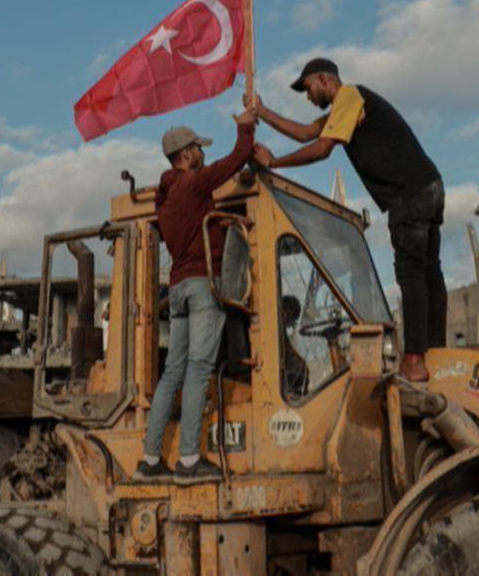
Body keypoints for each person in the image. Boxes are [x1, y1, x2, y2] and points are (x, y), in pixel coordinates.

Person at [251, 57, 445, 381]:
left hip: (408, 194)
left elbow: (322, 148)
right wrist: (263, 112)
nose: (308, 97)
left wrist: (275, 163)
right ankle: (436, 354)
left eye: (309, 88)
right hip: (428, 186)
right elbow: (306, 133)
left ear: (325, 80)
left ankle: (414, 361)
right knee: (429, 272)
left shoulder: (350, 97)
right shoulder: (346, 107)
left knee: (412, 274)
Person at [135, 111, 255, 484]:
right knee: (199, 370)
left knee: (173, 372)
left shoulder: (164, 200)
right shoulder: (192, 185)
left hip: (180, 289)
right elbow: (237, 158)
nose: (202, 154)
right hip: (204, 287)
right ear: (186, 154)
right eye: (198, 149)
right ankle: (189, 461)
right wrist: (246, 126)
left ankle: (150, 460)